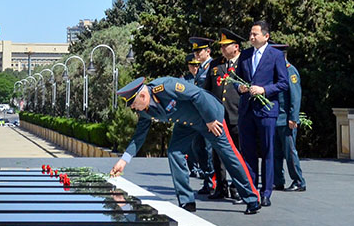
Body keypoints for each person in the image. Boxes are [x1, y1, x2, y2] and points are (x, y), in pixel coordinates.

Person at [108, 76, 261, 215]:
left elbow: (197, 95)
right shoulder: (145, 110)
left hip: (209, 118)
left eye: (134, 104)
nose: (134, 109)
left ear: (142, 96)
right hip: (186, 123)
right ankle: (187, 201)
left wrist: (209, 119)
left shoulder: (166, 86)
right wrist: (124, 161)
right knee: (174, 152)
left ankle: (252, 198)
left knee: (228, 155)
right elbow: (138, 137)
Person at [235, 20, 289, 207]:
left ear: (266, 36)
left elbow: (283, 83)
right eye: (250, 34)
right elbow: (237, 79)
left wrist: (264, 90)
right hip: (247, 110)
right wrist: (240, 87)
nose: (251, 37)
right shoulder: (245, 55)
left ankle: (266, 192)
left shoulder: (275, 55)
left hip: (266, 110)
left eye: (255, 34)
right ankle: (250, 191)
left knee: (267, 152)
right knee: (248, 152)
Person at [207, 28, 244, 201]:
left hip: (238, 115)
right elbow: (207, 91)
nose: (222, 49)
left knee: (238, 154)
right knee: (218, 154)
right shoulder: (216, 65)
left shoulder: (244, 63)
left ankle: (236, 187)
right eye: (221, 46)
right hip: (218, 118)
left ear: (236, 47)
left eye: (225, 46)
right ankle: (220, 187)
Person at [272, 42, 306, 192]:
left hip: (286, 119)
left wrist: (293, 117)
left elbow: (295, 96)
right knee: (275, 152)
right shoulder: (275, 72)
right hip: (275, 118)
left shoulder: (289, 71)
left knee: (290, 152)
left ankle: (298, 181)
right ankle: (277, 180)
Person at [188, 36, 216, 195]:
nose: (196, 54)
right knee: (197, 147)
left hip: (209, 117)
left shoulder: (212, 67)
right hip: (200, 117)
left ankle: (213, 180)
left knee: (207, 149)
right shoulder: (201, 70)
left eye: (199, 51)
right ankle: (208, 179)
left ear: (208, 51)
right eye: (195, 51)